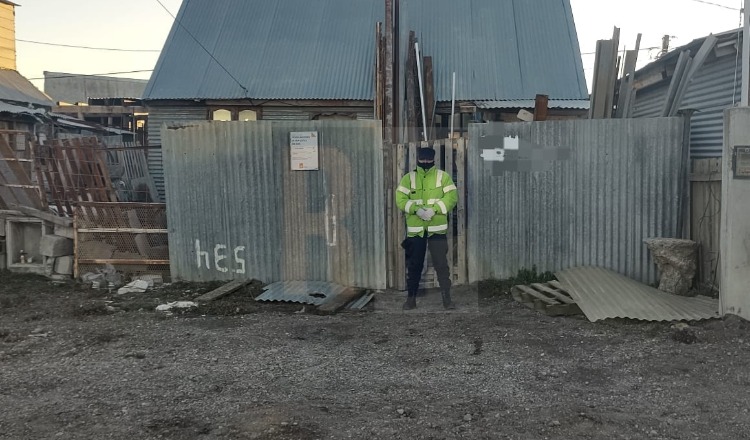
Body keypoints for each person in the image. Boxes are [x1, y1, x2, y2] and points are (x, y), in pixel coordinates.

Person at [395, 147, 458, 310]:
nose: (425, 162)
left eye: (428, 159)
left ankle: (447, 299)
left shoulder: (443, 177)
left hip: (437, 230)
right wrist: (416, 210)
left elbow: (452, 197)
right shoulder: (408, 178)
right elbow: (400, 199)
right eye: (422, 159)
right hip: (416, 230)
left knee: (441, 265)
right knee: (414, 265)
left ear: (433, 159)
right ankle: (411, 299)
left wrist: (434, 209)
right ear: (418, 159)